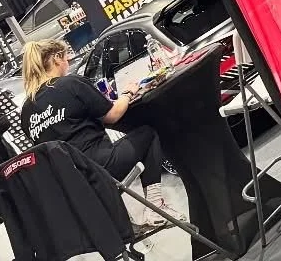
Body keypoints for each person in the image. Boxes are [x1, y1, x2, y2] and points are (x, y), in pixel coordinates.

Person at [18, 39, 175, 231]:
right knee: (147, 133)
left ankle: (123, 226)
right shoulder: (70, 84)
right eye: (66, 57)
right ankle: (156, 206)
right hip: (103, 167)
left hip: (74, 185)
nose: (68, 62)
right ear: (56, 59)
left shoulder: (26, 112)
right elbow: (112, 115)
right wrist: (128, 93)